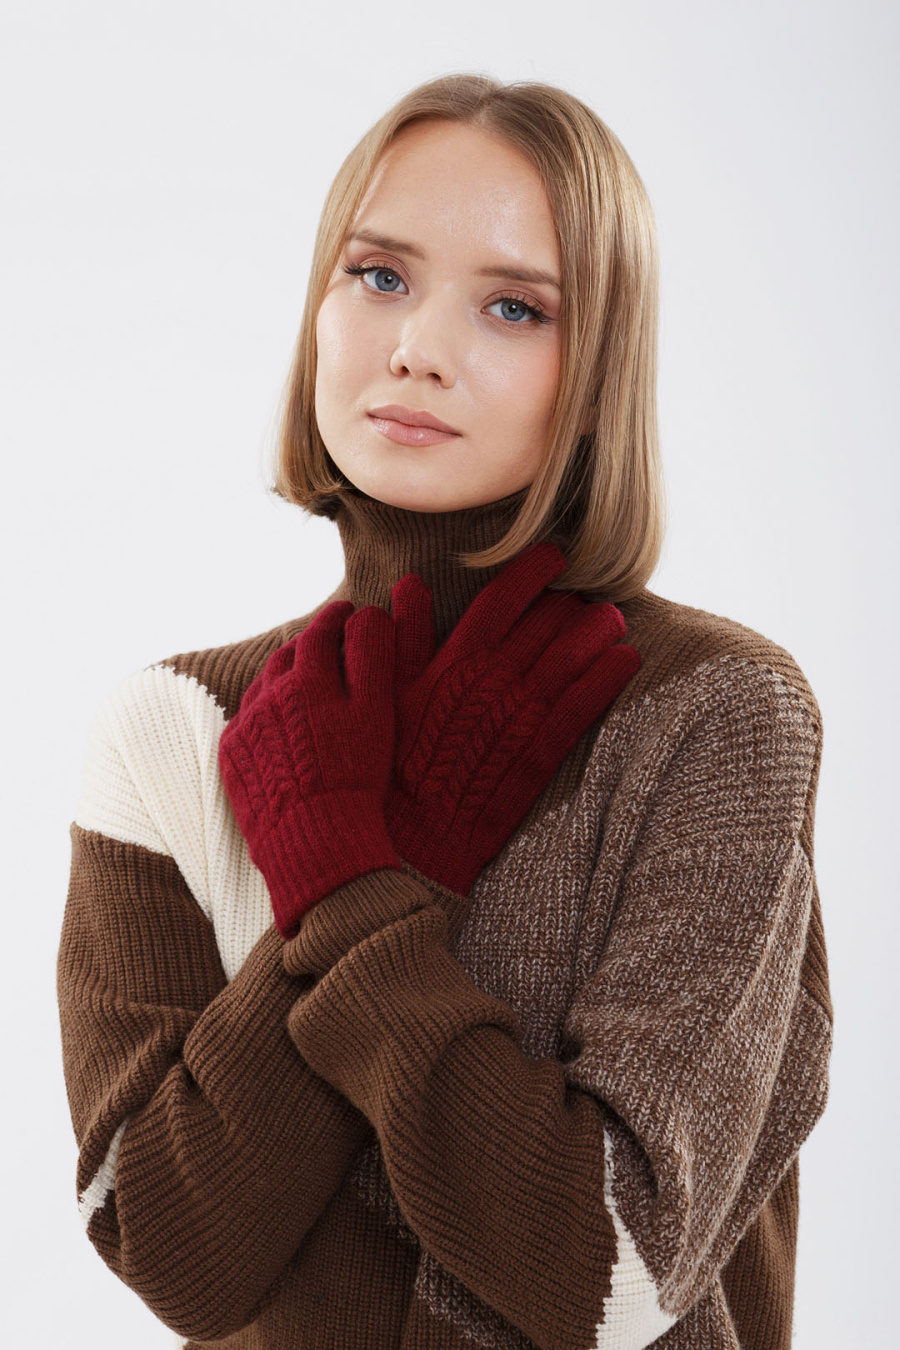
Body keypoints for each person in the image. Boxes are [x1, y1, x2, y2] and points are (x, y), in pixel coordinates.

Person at [56, 73, 833, 1350]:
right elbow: (174, 1251)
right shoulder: (173, 729)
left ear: (598, 371)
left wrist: (356, 881)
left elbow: (612, 1276)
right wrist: (396, 849)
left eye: (515, 307)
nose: (417, 346)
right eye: (378, 276)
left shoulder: (712, 712)